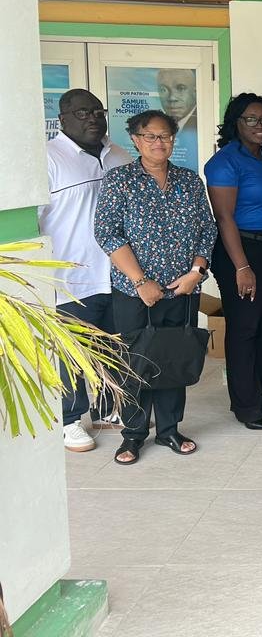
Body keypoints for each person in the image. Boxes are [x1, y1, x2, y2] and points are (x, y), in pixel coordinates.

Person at [94, 110, 217, 465]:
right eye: (150, 136)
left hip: (183, 289)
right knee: (136, 361)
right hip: (134, 291)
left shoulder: (190, 181)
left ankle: (169, 430)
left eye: (165, 136)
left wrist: (196, 272)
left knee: (173, 358)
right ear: (135, 140)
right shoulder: (120, 180)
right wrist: (140, 281)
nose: (158, 143)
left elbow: (207, 231)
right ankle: (132, 436)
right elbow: (107, 233)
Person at [39, 89, 132, 452]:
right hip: (72, 275)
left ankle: (109, 409)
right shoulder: (48, 158)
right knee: (74, 352)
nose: (93, 117)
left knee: (115, 344)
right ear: (63, 120)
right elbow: (34, 222)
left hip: (119, 273)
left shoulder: (119, 155)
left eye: (97, 110)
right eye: (82, 112)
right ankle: (69, 419)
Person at [204, 93, 262, 431]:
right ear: (235, 122)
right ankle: (245, 405)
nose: (260, 125)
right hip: (240, 250)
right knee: (245, 327)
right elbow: (224, 217)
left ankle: (257, 395)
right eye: (251, 118)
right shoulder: (225, 161)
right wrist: (241, 266)